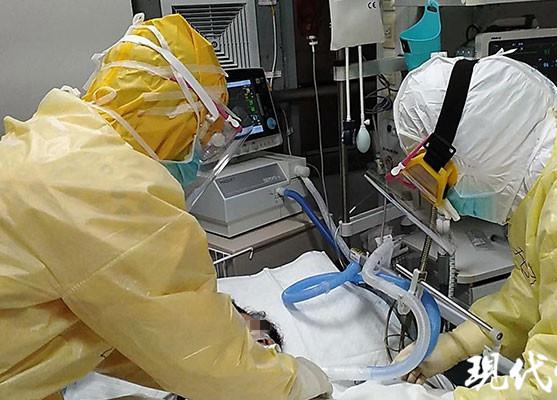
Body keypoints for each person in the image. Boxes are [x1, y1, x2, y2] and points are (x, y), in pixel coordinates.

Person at [0, 13, 331, 400]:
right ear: (174, 118)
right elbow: (205, 356)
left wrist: (235, 348)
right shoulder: (109, 188)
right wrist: (296, 384)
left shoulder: (56, 134)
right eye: (203, 134)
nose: (201, 151)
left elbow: (131, 327)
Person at [393, 54, 557, 399]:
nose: (441, 200)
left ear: (473, 151)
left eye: (430, 179)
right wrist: (459, 343)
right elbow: (539, 288)